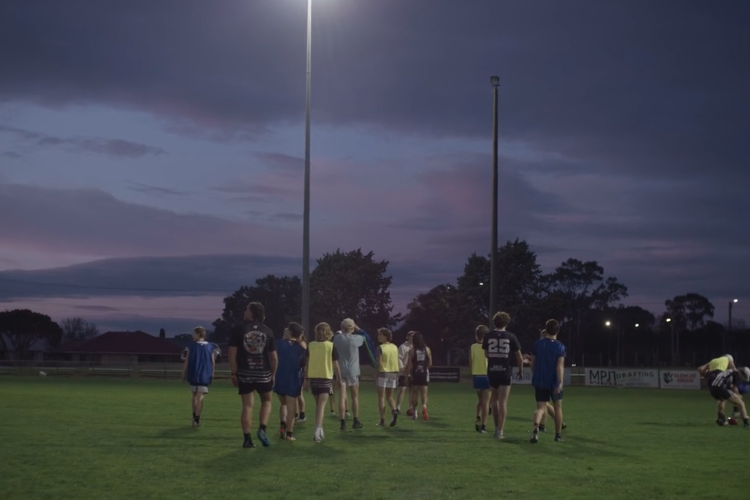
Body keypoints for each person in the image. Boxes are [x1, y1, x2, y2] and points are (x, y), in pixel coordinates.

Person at [228, 301, 278, 449]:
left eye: (246, 310)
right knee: (267, 401)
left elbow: (231, 353)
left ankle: (247, 439)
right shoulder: (268, 331)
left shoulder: (239, 330)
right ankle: (262, 429)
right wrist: (273, 374)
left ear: (253, 313)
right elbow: (274, 357)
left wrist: (233, 372)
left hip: (245, 373)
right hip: (263, 373)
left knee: (247, 406)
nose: (244, 312)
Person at [482, 311, 523, 439]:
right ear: (507, 322)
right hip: (505, 371)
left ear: (495, 322)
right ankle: (500, 431)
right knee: (503, 402)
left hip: (492, 370)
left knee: (494, 400)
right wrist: (521, 370)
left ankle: (495, 428)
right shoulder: (511, 336)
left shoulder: (488, 336)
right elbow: (519, 357)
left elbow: (486, 354)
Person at [529, 319, 566, 443]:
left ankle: (535, 428)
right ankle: (558, 435)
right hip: (553, 381)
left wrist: (535, 374)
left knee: (540, 407)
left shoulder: (538, 344)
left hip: (540, 380)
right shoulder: (560, 346)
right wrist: (560, 382)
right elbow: (559, 366)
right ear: (557, 331)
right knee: (558, 407)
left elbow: (533, 362)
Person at [304, 322, 342, 442]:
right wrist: (339, 378)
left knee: (318, 406)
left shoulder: (310, 345)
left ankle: (320, 430)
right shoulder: (331, 346)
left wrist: (306, 379)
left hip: (314, 378)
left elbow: (307, 364)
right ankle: (317, 430)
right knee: (321, 406)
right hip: (325, 377)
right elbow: (335, 365)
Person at [273, 322, 307, 441]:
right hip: (293, 379)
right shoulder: (301, 347)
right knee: (292, 406)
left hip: (279, 377)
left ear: (290, 332)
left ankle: (282, 424)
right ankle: (289, 434)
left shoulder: (277, 343)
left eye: (287, 329)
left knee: (283, 404)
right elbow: (304, 364)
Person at [332, 318, 368, 430]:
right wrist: (356, 328)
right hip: (353, 371)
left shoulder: (337, 338)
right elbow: (365, 337)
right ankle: (355, 420)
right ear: (352, 328)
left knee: (342, 398)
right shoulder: (357, 339)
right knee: (354, 397)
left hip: (341, 370)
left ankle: (342, 422)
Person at [181, 326, 217, 428]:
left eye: (194, 334)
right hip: (204, 374)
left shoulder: (191, 346)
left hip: (193, 373)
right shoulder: (210, 346)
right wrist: (212, 372)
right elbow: (212, 361)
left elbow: (187, 360)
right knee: (200, 396)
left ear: (198, 334)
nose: (193, 336)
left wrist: (183, 372)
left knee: (194, 395)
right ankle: (197, 418)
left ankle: (194, 417)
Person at [376, 328, 400, 427]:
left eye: (380, 335)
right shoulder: (395, 347)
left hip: (383, 373)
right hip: (393, 373)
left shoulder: (380, 348)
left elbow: (379, 363)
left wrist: (376, 373)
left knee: (381, 397)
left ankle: (382, 420)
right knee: (390, 396)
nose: (378, 337)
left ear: (385, 336)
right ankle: (394, 411)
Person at [406, 331, 432, 421]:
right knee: (424, 393)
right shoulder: (427, 349)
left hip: (415, 373)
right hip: (424, 373)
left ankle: (415, 412)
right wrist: (426, 368)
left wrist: (408, 374)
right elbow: (430, 363)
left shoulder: (412, 350)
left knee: (414, 393)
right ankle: (424, 406)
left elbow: (410, 365)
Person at [471, 325, 490, 433]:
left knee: (480, 401)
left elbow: (470, 362)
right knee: (486, 402)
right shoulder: (488, 347)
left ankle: (478, 416)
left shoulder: (473, 347)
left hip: (476, 376)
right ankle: (483, 425)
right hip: (487, 375)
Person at [397, 331, 415, 415]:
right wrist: (401, 367)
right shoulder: (403, 346)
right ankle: (398, 407)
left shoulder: (416, 347)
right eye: (411, 336)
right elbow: (399, 358)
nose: (412, 338)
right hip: (404, 372)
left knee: (412, 390)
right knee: (402, 389)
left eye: (413, 336)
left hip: (412, 372)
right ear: (407, 337)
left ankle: (411, 407)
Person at [295, 332, 308, 423]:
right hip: (297, 370)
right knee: (295, 394)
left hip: (300, 371)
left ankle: (302, 415)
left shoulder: (301, 344)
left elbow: (303, 359)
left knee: (299, 394)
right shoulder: (298, 343)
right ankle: (296, 414)